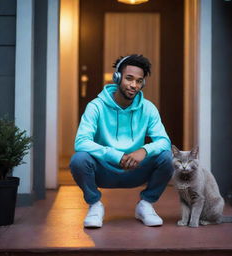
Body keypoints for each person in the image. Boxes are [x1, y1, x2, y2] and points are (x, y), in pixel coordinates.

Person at [70, 54, 173, 228]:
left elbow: (164, 141)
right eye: (129, 78)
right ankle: (95, 205)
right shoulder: (96, 106)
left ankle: (145, 205)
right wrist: (116, 155)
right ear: (117, 77)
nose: (134, 85)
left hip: (136, 169)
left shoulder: (148, 108)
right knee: (79, 160)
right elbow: (81, 141)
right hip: (104, 170)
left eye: (139, 81)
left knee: (167, 157)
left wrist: (144, 151)